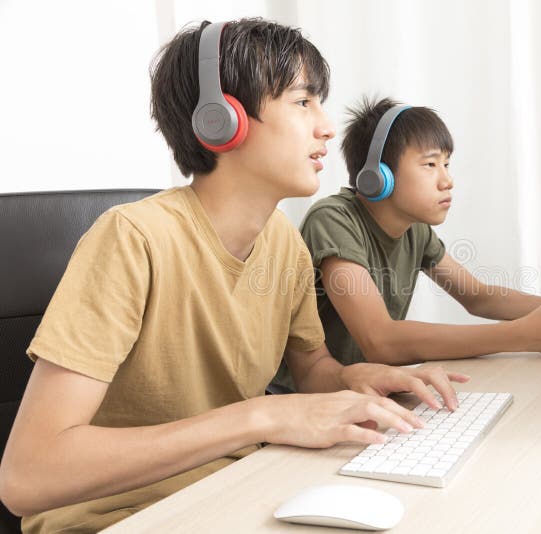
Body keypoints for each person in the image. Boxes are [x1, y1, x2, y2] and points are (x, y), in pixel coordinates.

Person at [0, 21, 467, 533]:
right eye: (303, 102)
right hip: (119, 517)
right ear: (221, 119)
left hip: (238, 492)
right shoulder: (133, 239)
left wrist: (357, 379)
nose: (327, 128)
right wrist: (260, 417)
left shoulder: (284, 243)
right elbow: (28, 476)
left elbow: (311, 368)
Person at [271, 96, 541, 392]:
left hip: (367, 395)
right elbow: (380, 340)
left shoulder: (415, 230)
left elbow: (478, 296)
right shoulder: (333, 220)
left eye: (447, 164)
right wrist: (524, 335)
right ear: (376, 176)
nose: (447, 180)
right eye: (430, 164)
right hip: (308, 399)